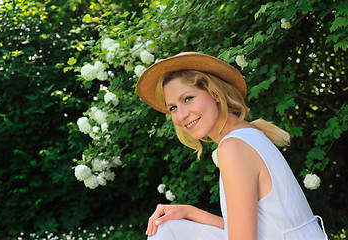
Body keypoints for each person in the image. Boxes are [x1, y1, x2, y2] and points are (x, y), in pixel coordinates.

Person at [136, 52, 327, 240]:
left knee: (166, 231)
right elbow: (260, 230)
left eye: (188, 99)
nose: (181, 114)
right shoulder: (250, 135)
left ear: (215, 93)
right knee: (170, 227)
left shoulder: (233, 147)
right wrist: (189, 211)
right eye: (173, 108)